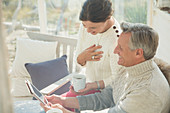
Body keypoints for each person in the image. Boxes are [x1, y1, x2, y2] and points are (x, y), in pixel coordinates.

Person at [41, 22, 170, 113]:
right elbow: (107, 97)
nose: (115, 51)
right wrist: (64, 101)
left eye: (120, 47)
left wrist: (63, 112)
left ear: (138, 53)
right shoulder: (129, 68)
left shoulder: (147, 92)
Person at [62, 0, 121, 98]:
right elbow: (79, 62)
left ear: (108, 18)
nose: (88, 31)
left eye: (93, 28)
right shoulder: (87, 25)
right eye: (84, 25)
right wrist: (81, 57)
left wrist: (93, 85)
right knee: (54, 102)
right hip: (88, 86)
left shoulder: (116, 39)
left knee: (61, 103)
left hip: (107, 93)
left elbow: (118, 78)